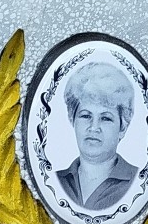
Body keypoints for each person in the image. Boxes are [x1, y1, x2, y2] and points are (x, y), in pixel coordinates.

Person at [56, 62, 139, 211]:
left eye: (105, 118)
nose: (94, 127)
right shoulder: (55, 181)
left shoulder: (139, 181)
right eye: (86, 115)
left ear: (123, 127)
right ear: (73, 120)